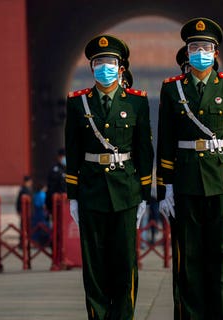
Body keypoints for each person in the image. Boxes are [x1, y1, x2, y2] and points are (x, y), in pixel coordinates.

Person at [157, 17, 223, 319]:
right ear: (187, 50)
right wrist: (165, 186)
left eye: (205, 47)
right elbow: (166, 140)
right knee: (188, 259)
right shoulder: (172, 90)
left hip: (220, 180)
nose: (200, 52)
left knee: (220, 256)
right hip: (184, 181)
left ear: (215, 52)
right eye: (194, 46)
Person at [64, 34, 154, 319]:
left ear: (121, 68)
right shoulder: (78, 104)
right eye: (99, 62)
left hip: (126, 190)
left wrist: (144, 195)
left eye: (110, 62)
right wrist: (73, 198)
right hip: (91, 192)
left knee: (125, 263)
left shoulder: (137, 103)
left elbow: (144, 152)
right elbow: (73, 152)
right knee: (94, 266)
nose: (105, 67)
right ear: (92, 67)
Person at [46, 148, 66, 221]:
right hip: (57, 204)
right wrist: (49, 206)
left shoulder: (70, 169)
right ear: (59, 157)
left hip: (69, 204)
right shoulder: (55, 170)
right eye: (62, 156)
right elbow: (51, 189)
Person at [31, 182, 49, 247]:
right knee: (44, 227)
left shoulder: (36, 194)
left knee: (36, 227)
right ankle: (45, 242)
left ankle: (35, 242)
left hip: (36, 212)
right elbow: (44, 205)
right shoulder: (43, 194)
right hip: (42, 213)